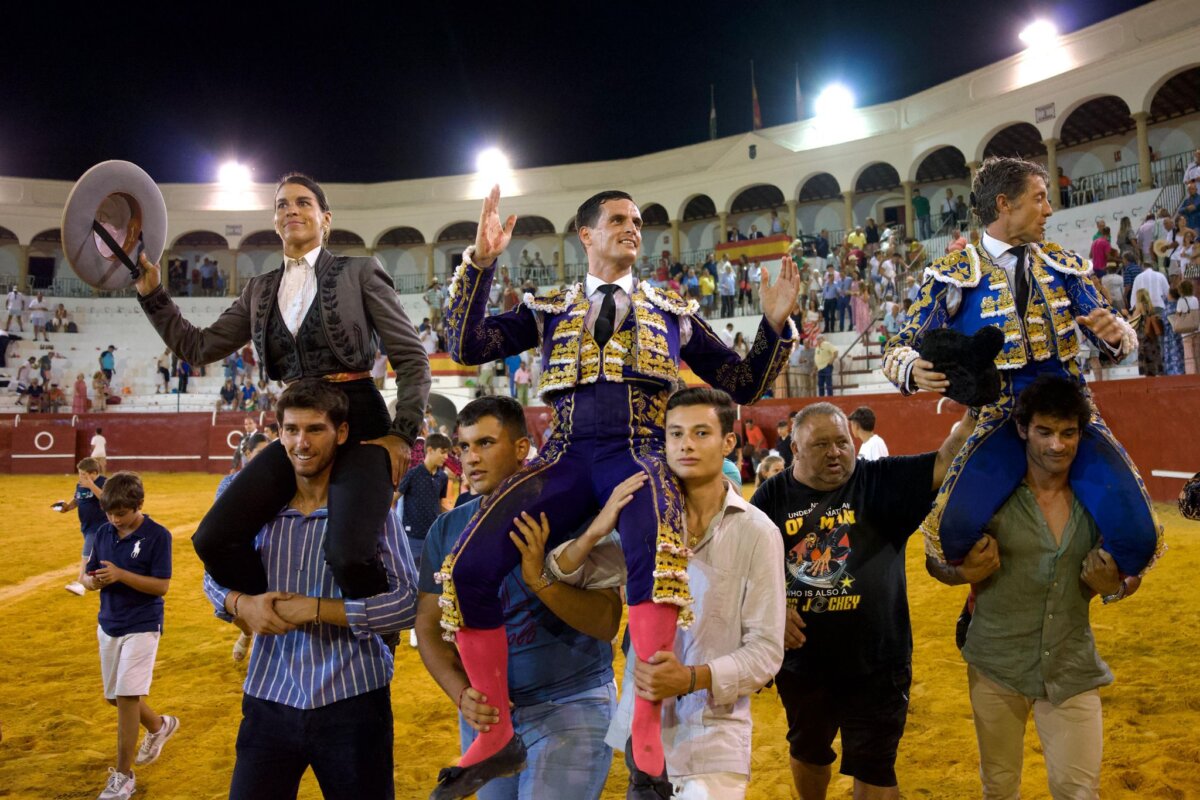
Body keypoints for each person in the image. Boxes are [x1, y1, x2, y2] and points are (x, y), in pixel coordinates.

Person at [434, 187, 797, 798]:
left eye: (638, 222)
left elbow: (742, 380)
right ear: (586, 235)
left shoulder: (673, 310)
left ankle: (647, 744)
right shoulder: (548, 306)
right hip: (565, 459)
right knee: (467, 566)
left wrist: (774, 323)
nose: (633, 229)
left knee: (656, 558)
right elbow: (467, 347)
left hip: (640, 453)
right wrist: (480, 262)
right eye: (619, 220)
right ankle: (495, 739)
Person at [135, 173, 430, 607]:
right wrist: (152, 294)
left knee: (348, 556)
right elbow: (198, 347)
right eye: (282, 204)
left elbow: (411, 356)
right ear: (275, 221)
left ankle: (374, 641)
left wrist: (402, 434)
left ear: (325, 219)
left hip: (362, 423)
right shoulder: (260, 289)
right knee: (214, 539)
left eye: (303, 202)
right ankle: (278, 615)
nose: (291, 209)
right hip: (296, 429)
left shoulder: (360, 271)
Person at [883, 155, 1162, 582]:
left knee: (1140, 538)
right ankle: (984, 602)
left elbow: (1113, 335)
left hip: (1070, 413)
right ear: (1004, 204)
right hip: (1000, 416)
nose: (1049, 210)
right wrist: (911, 368)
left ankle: (1083, 588)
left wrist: (1114, 331)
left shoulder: (1062, 264)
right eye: (1039, 199)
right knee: (950, 535)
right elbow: (899, 345)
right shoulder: (953, 274)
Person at [562, 387, 784, 799]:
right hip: (642, 734)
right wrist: (599, 526)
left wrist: (690, 678)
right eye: (676, 434)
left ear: (729, 441)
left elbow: (767, 651)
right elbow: (571, 573)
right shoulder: (643, 523)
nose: (686, 444)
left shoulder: (758, 532)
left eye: (701, 433)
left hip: (713, 739)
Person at [202, 379, 418, 800]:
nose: (302, 442)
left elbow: (407, 603)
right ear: (279, 433)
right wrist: (239, 603)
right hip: (268, 698)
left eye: (315, 429)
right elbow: (213, 576)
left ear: (340, 433)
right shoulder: (256, 511)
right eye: (291, 429)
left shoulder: (370, 514)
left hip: (354, 701)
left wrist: (317, 609)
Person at [750, 402, 976, 800]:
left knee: (875, 762)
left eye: (842, 442)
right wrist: (770, 611)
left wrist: (976, 408)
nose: (835, 452)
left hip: (878, 661)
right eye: (821, 445)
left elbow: (947, 457)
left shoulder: (882, 480)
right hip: (804, 663)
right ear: (795, 451)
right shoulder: (772, 496)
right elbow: (744, 569)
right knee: (808, 749)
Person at [930, 376, 1142, 799]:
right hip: (996, 665)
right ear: (1024, 429)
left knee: (1079, 792)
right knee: (1001, 788)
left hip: (1071, 666)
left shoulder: (1097, 498)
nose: (1057, 446)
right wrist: (964, 573)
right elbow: (936, 561)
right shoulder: (990, 494)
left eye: (1068, 433)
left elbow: (1129, 573)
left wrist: (1115, 588)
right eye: (1045, 431)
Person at [416, 396, 622, 800]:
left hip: (570, 704)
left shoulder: (568, 515)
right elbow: (427, 627)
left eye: (486, 444)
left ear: (521, 448)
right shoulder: (447, 527)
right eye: (464, 447)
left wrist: (540, 579)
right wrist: (460, 692)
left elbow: (607, 622)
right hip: (488, 715)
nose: (471, 458)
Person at [80, 472, 177, 800]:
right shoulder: (104, 532)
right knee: (115, 698)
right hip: (108, 623)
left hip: (143, 625)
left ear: (138, 506)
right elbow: (88, 575)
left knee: (125, 698)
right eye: (109, 513)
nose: (114, 519)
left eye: (120, 514)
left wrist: (121, 574)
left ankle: (123, 776)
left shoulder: (158, 536)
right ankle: (160, 726)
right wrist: (93, 582)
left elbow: (161, 586)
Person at [396, 432, 452, 574]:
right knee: (409, 575)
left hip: (432, 537)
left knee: (428, 578)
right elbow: (393, 498)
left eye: (447, 453)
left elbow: (439, 504)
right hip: (411, 536)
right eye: (443, 452)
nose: (446, 457)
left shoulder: (443, 477)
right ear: (430, 450)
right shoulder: (412, 473)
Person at [57, 457, 108, 596]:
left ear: (94, 473)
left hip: (101, 525)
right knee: (99, 555)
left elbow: (106, 499)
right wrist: (67, 507)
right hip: (86, 526)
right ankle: (100, 580)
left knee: (87, 553)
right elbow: (77, 499)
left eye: (84, 474)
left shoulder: (105, 482)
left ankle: (80, 584)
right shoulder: (81, 484)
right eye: (80, 474)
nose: (81, 477)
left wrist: (91, 485)